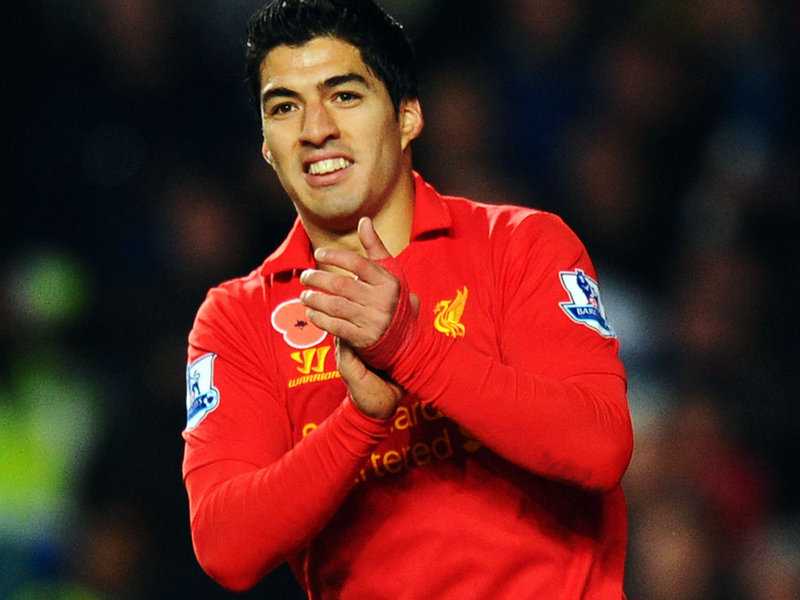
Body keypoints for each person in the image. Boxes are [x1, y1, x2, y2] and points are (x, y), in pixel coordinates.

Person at [182, 0, 634, 597]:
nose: (315, 129)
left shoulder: (520, 246)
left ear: (407, 117)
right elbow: (225, 547)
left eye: (344, 96)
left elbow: (599, 446)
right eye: (284, 107)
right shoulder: (237, 318)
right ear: (267, 145)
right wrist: (360, 420)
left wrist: (411, 350)